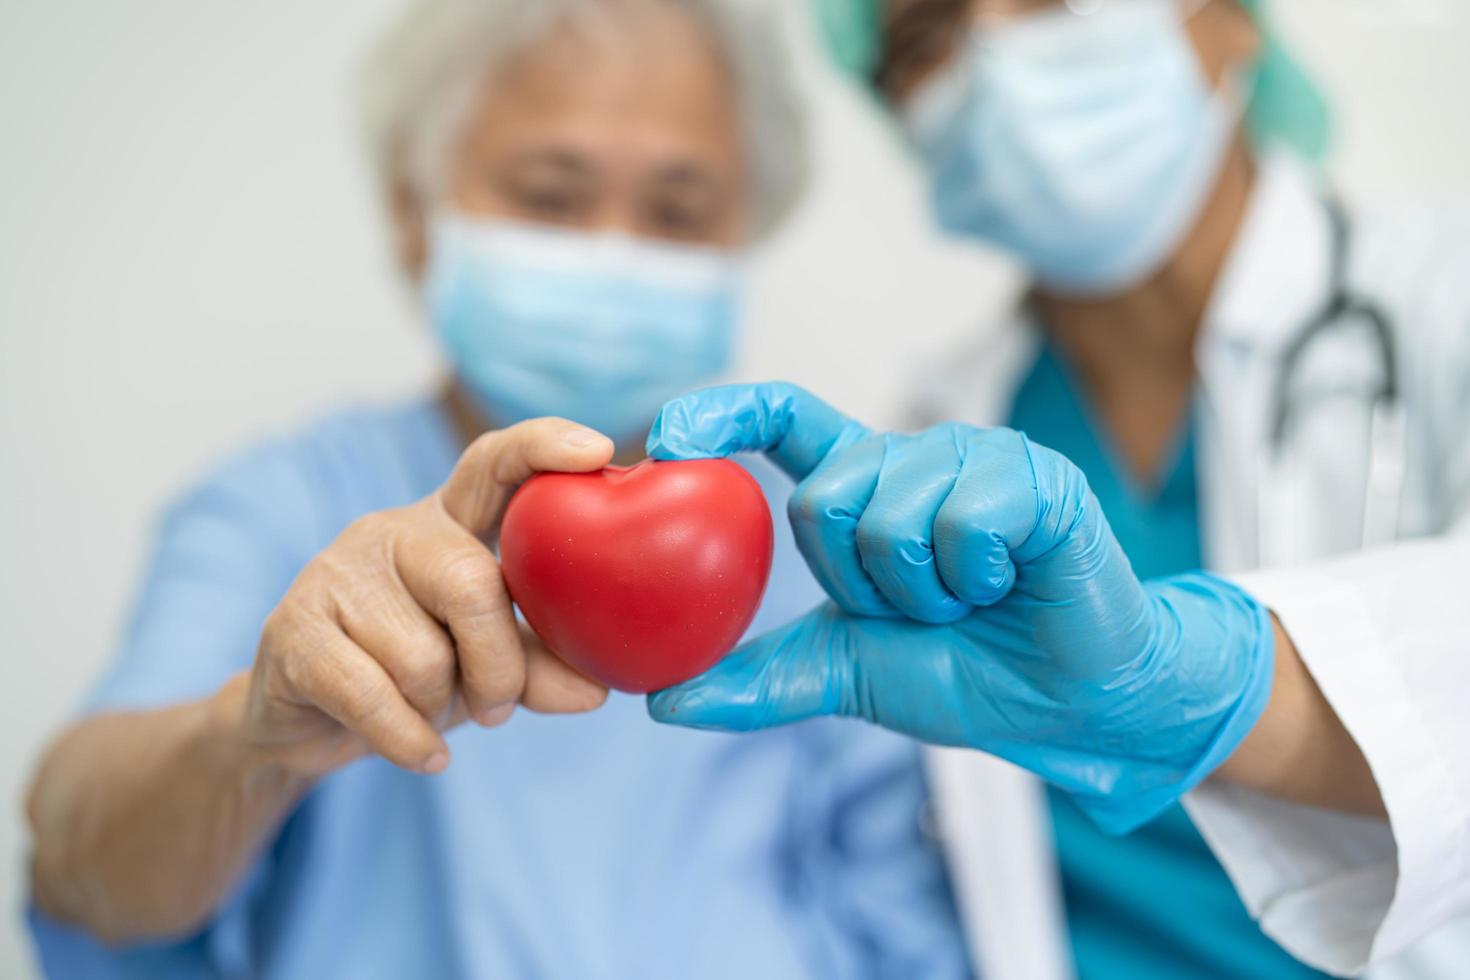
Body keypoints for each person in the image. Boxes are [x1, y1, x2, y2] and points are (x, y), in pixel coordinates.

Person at [22, 2, 971, 977]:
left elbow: (906, 924)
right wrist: (251, 737)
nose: (613, 249)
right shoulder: (284, 508)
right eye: (552, 196)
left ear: (745, 231)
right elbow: (77, 850)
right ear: (413, 210)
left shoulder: (812, 542)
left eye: (677, 211)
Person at [644, 1, 1470, 977]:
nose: (991, 50)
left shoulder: (1441, 304)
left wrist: (1210, 682)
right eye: (924, 37)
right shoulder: (927, 445)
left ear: (1232, 22)